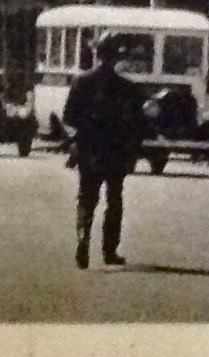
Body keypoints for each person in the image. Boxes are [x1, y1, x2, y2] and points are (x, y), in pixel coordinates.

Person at [62, 33, 147, 269]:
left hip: (89, 147)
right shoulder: (128, 87)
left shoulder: (81, 82)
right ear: (115, 58)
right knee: (114, 199)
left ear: (96, 54)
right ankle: (109, 250)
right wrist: (132, 151)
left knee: (86, 198)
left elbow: (69, 116)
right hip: (116, 149)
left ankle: (82, 239)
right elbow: (138, 124)